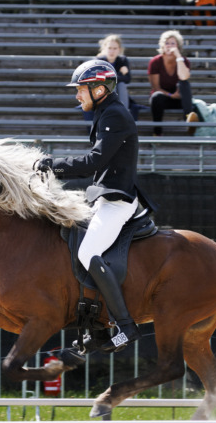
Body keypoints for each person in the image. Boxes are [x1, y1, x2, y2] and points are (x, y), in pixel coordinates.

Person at [35, 59, 153, 353]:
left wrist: (53, 166)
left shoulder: (115, 115)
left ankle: (126, 327)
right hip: (103, 197)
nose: (77, 96)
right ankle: (99, 327)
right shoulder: (106, 112)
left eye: (80, 90)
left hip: (117, 202)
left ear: (99, 89)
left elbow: (94, 162)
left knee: (88, 251)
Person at [147, 29, 197, 136]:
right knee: (156, 96)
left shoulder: (184, 61)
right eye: (167, 43)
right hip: (164, 97)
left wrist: (179, 57)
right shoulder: (155, 62)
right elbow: (156, 87)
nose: (169, 46)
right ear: (163, 45)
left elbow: (184, 77)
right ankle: (157, 132)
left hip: (180, 99)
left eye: (173, 43)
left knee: (185, 84)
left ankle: (189, 121)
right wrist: (171, 95)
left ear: (178, 46)